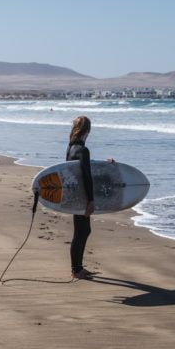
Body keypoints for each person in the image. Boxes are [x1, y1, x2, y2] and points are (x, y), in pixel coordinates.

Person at [67, 115, 96, 280]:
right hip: (82, 196)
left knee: (82, 231)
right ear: (88, 130)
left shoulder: (71, 148)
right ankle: (76, 269)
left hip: (74, 195)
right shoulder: (83, 150)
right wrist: (91, 200)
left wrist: (108, 165)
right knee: (81, 232)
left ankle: (77, 268)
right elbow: (86, 175)